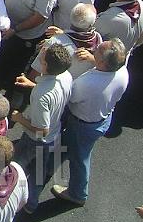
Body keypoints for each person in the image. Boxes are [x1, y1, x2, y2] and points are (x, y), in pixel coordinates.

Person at [51, 38, 128, 207]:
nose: (94, 47)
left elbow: (69, 100)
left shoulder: (87, 84)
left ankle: (78, 194)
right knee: (78, 150)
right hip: (103, 118)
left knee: (80, 159)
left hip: (83, 125)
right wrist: (94, 60)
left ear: (102, 61)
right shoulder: (122, 71)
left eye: (97, 50)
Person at [10, 43, 72, 213]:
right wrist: (33, 85)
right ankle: (31, 204)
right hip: (53, 135)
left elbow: (40, 129)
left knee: (15, 168)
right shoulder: (66, 76)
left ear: (45, 66)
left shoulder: (41, 95)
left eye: (42, 59)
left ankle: (9, 199)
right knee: (38, 173)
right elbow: (52, 89)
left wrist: (19, 118)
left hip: (35, 140)